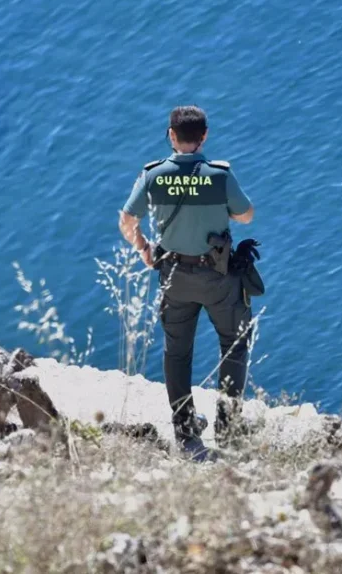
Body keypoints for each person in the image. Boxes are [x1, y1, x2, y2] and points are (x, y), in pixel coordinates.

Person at [118, 105, 255, 460]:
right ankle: (229, 426)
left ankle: (185, 429)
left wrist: (145, 250)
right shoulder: (219, 176)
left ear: (171, 136)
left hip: (173, 276)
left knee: (177, 352)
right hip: (218, 276)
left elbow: (127, 221)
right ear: (205, 136)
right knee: (234, 344)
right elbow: (246, 215)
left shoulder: (153, 176)